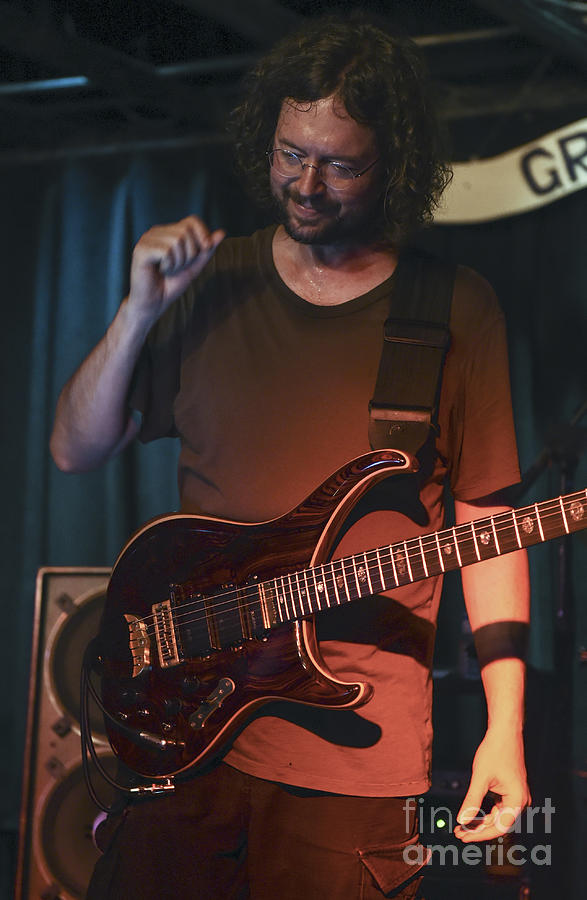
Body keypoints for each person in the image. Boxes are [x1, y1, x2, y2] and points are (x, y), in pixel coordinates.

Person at [50, 14, 531, 900]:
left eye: (339, 164)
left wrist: (506, 728)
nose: (305, 185)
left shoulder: (454, 307)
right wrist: (136, 312)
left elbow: (489, 525)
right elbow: (75, 450)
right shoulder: (212, 284)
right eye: (288, 154)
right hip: (182, 736)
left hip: (352, 762)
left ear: (395, 162)